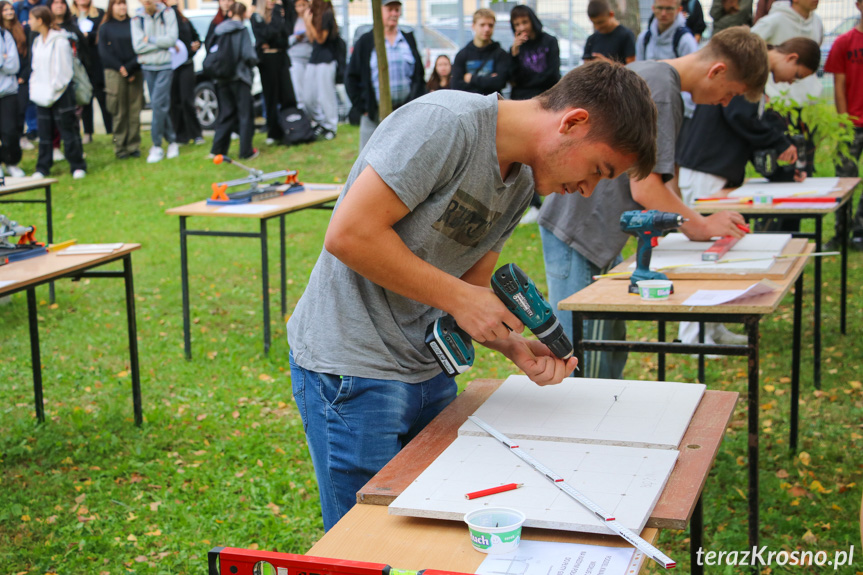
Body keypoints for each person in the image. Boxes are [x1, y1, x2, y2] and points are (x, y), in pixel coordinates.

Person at [287, 60, 658, 531]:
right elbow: (349, 235)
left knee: (427, 532)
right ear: (573, 123)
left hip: (428, 365)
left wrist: (516, 348)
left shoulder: (521, 181)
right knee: (364, 543)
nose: (586, 190)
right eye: (598, 170)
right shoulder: (446, 123)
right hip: (353, 369)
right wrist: (461, 299)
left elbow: (472, 287)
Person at [537, 27, 769, 380]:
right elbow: (646, 188)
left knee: (607, 345)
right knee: (580, 355)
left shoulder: (660, 78)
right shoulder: (662, 89)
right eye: (729, 94)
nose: (724, 103)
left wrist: (685, 221)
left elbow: (663, 181)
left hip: (595, 231)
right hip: (580, 233)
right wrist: (702, 226)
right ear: (717, 71)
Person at [675, 37, 820, 346]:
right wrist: (779, 143)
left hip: (715, 167)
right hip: (705, 166)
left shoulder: (754, 74)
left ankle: (712, 327)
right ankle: (691, 336)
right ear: (790, 57)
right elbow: (740, 116)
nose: (789, 81)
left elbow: (750, 117)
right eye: (796, 74)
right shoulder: (749, 68)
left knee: (720, 250)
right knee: (703, 256)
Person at [345, 0, 423, 151]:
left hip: (404, 113)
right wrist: (363, 107)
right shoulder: (366, 41)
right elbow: (351, 77)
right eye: (390, 9)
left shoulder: (408, 39)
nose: (394, 14)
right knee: (369, 158)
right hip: (373, 116)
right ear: (379, 11)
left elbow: (418, 75)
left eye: (397, 10)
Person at [28, 4, 85, 178]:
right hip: (42, 96)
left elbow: (65, 71)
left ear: (40, 20)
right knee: (44, 132)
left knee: (68, 131)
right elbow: (36, 68)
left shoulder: (60, 40)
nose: (28, 22)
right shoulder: (38, 41)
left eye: (31, 19)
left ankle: (77, 165)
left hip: (60, 94)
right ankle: (42, 167)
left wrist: (53, 91)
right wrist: (36, 89)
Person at [824, 0, 863, 252]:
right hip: (852, 123)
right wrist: (843, 121)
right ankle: (840, 231)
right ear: (858, 5)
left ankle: (859, 232)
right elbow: (839, 84)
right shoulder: (844, 42)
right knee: (845, 180)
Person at [131, 0, 179, 164]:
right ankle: (172, 142)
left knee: (158, 104)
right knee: (160, 105)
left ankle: (157, 145)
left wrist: (149, 39)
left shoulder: (168, 13)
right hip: (147, 67)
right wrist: (160, 43)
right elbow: (138, 46)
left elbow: (171, 40)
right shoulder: (137, 18)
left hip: (165, 66)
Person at [209, 2, 258, 160]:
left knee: (226, 114)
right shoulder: (242, 30)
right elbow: (248, 55)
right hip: (239, 77)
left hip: (222, 78)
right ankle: (246, 151)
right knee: (245, 115)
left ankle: (217, 151)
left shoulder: (219, 29)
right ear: (243, 15)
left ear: (230, 13)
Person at [98, 0, 141, 159]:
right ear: (111, 7)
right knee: (119, 110)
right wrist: (121, 68)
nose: (122, 7)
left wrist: (130, 68)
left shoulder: (134, 24)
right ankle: (120, 147)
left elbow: (140, 46)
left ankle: (133, 146)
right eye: (117, 4)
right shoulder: (106, 27)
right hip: (114, 72)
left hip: (134, 71)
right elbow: (103, 51)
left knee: (134, 109)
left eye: (123, 3)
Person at [251, 0, 297, 145]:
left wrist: (273, 35)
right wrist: (276, 23)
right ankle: (273, 132)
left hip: (281, 58)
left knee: (287, 95)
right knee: (271, 97)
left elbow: (285, 38)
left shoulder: (279, 15)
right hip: (267, 62)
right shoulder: (256, 17)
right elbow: (266, 36)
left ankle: (292, 128)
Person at [164, 0, 203, 146]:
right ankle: (181, 136)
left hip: (186, 64)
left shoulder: (183, 19)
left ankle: (196, 134)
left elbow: (196, 37)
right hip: (171, 66)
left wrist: (196, 45)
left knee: (187, 99)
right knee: (175, 101)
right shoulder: (164, 20)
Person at [71, 0, 108, 144]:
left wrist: (89, 36)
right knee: (84, 98)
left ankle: (110, 131)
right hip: (80, 63)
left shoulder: (99, 13)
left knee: (103, 97)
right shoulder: (71, 15)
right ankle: (87, 132)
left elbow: (102, 33)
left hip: (97, 60)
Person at [451, 8, 510, 95]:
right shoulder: (462, 55)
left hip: (494, 106)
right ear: (473, 26)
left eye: (490, 25)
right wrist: (489, 80)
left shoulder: (500, 54)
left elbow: (500, 83)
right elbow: (456, 86)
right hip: (469, 105)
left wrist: (471, 79)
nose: (487, 29)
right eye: (482, 25)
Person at [302, 0, 338, 140]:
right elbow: (312, 39)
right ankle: (320, 123)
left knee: (326, 96)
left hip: (326, 60)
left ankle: (331, 127)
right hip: (314, 59)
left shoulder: (327, 14)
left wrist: (308, 21)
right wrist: (307, 21)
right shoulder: (313, 15)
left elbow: (321, 39)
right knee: (307, 97)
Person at [508, 5, 559, 101]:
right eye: (517, 25)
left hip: (546, 95)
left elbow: (553, 75)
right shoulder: (516, 47)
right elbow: (513, 79)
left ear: (532, 21)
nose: (522, 28)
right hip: (521, 98)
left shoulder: (550, 41)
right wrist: (514, 54)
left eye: (525, 22)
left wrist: (525, 83)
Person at [13, 0, 44, 146]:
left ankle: (34, 130)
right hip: (15, 67)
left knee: (32, 102)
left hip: (31, 62)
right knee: (19, 106)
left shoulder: (46, 3)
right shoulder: (18, 7)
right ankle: (20, 135)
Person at [0, 0, 24, 176]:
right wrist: (2, 59)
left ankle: (12, 163)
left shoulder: (4, 35)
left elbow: (13, 65)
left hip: (7, 91)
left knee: (10, 131)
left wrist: (3, 62)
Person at [583, 0, 636, 64]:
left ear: (611, 14)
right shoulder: (591, 39)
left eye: (601, 22)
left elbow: (631, 67)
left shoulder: (626, 36)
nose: (597, 27)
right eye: (594, 23)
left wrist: (606, 63)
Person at [288, 0, 310, 110]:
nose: (301, 8)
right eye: (298, 6)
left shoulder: (311, 18)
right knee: (298, 90)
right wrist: (295, 38)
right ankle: (302, 115)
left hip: (310, 58)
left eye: (303, 5)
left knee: (310, 90)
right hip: (296, 58)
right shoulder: (292, 20)